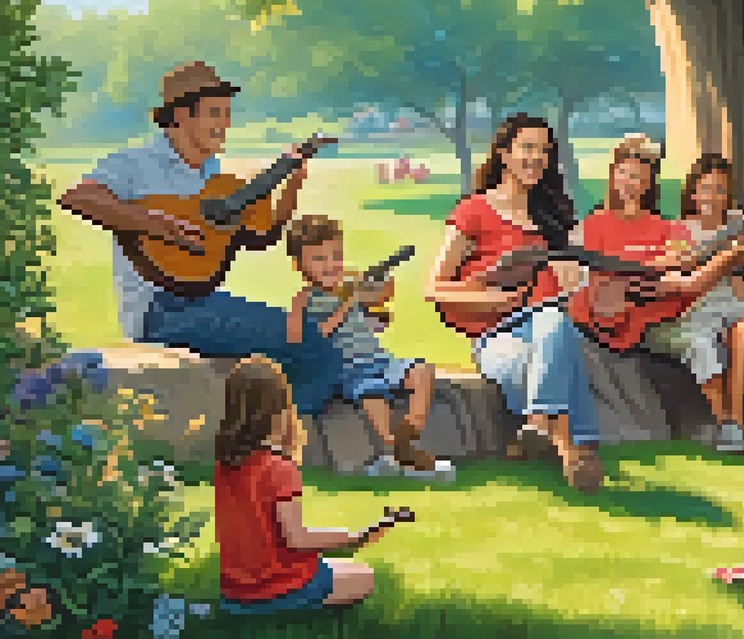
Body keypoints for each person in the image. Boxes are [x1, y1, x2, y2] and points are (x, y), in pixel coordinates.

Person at [55, 61, 347, 416]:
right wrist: (155, 224)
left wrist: (292, 185)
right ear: (179, 114)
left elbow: (265, 235)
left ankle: (264, 434)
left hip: (203, 301)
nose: (224, 124)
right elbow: (78, 197)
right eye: (214, 113)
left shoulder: (217, 180)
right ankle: (265, 447)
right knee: (318, 350)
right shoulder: (135, 163)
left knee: (305, 342)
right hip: (160, 310)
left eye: (226, 114)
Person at [424, 113, 603, 491]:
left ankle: (540, 426)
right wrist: (497, 299)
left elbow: (571, 288)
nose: (536, 158)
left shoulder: (555, 215)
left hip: (546, 321)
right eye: (528, 147)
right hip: (496, 333)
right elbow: (434, 288)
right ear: (504, 153)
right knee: (548, 351)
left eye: (544, 151)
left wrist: (573, 273)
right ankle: (576, 449)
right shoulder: (474, 211)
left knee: (555, 325)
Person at [570, 136, 744, 387]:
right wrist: (658, 263)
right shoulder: (593, 226)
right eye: (624, 174)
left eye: (638, 176)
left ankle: (728, 424)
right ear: (614, 177)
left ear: (648, 183)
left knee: (707, 342)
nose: (630, 183)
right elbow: (602, 281)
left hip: (659, 318)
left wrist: (729, 254)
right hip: (610, 322)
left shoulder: (667, 228)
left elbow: (687, 271)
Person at [284, 214, 453, 479]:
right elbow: (302, 338)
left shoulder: (348, 290)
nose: (331, 265)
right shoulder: (304, 299)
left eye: (336, 256)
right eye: (319, 259)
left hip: (379, 360)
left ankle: (408, 436)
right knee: (372, 394)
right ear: (298, 266)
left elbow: (379, 307)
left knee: (422, 371)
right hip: (349, 369)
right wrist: (346, 305)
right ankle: (391, 451)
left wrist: (379, 287)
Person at [215, 356, 387, 615]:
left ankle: (256, 606)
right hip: (276, 588)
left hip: (234, 591)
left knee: (339, 568)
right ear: (280, 409)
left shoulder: (225, 465)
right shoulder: (279, 467)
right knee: (365, 577)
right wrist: (354, 538)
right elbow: (297, 538)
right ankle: (283, 609)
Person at [646, 153, 744, 453]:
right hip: (693, 308)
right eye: (705, 188)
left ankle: (735, 420)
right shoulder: (679, 231)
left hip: (729, 307)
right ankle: (723, 422)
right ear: (693, 192)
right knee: (702, 345)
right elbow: (683, 278)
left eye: (720, 190)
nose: (712, 197)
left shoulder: (737, 228)